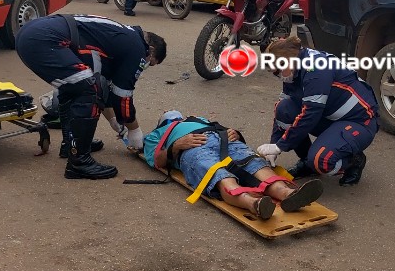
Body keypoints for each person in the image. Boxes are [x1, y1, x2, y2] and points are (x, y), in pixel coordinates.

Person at [15, 14, 166, 180]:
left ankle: (71, 145)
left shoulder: (121, 37)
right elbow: (122, 95)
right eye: (149, 63)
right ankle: (79, 162)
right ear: (150, 50)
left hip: (33, 35)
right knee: (88, 89)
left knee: (75, 87)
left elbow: (106, 88)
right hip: (44, 39)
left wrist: (114, 122)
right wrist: (134, 130)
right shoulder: (138, 48)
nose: (145, 66)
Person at [143, 111, 324, 219]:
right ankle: (255, 204)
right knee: (219, 174)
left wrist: (234, 133)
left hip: (222, 139)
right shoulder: (157, 134)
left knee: (253, 163)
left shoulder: (198, 119)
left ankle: (288, 194)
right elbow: (157, 161)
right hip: (192, 149)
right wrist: (175, 145)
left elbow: (224, 130)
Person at [255, 37, 378, 186]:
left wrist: (280, 146)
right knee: (285, 109)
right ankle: (307, 162)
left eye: (278, 71)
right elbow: (283, 111)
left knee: (321, 161)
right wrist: (273, 145)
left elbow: (310, 113)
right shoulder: (295, 69)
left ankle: (353, 160)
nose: (278, 76)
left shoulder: (316, 69)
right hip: (330, 116)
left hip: (359, 121)